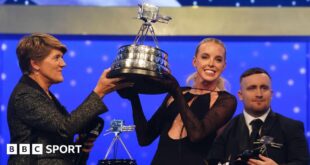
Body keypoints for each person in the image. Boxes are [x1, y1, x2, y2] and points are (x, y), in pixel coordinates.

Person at [7, 33, 130, 165]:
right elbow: (65, 128)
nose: (63, 64)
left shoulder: (44, 96)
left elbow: (58, 140)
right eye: (57, 58)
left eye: (62, 57)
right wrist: (99, 91)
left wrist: (79, 149)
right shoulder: (25, 95)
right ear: (35, 64)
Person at [119, 38, 237, 165]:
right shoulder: (176, 94)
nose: (211, 63)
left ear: (224, 66)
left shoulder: (226, 100)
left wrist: (176, 91)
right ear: (194, 61)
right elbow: (145, 138)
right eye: (205, 57)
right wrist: (134, 98)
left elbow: (197, 134)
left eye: (218, 59)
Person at [207, 67, 309, 165]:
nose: (259, 94)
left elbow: (303, 163)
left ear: (271, 93)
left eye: (264, 88)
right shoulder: (224, 129)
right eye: (252, 88)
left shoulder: (292, 128)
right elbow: (212, 162)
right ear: (240, 95)